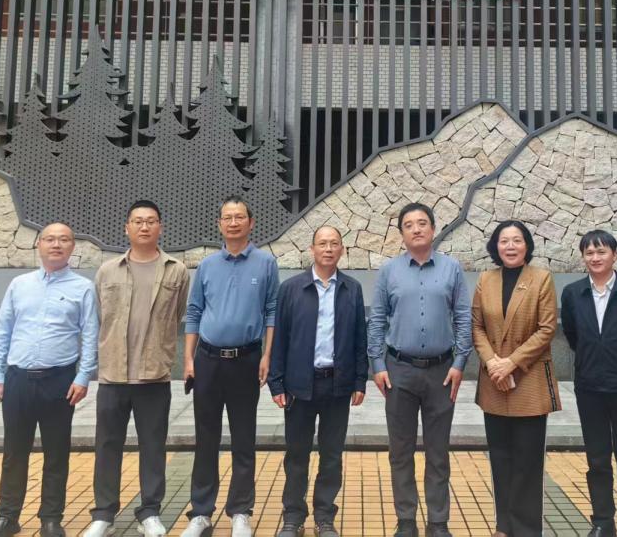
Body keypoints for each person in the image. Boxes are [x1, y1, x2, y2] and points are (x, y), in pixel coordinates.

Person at [0, 223, 98, 537]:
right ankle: (7, 516)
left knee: (56, 453)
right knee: (14, 452)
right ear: (39, 245)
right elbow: (3, 329)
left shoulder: (83, 288)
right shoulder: (19, 285)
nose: (56, 244)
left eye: (63, 240)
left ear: (72, 246)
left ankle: (51, 518)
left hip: (59, 381)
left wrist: (84, 376)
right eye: (49, 239)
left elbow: (90, 335)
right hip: (17, 379)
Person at [82, 201, 191, 537]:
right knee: (107, 445)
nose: (144, 227)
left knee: (153, 446)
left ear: (160, 227)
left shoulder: (176, 271)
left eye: (151, 221)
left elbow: (179, 315)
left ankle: (150, 511)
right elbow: (100, 317)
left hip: (153, 375)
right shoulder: (107, 271)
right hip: (113, 374)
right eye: (138, 221)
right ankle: (103, 513)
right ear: (127, 227)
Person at [367, 202, 473, 537]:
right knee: (400, 451)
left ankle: (438, 522)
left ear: (433, 228)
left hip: (442, 371)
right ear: (401, 233)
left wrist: (460, 363)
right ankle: (406, 520)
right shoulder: (389, 271)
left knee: (438, 452)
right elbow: (377, 320)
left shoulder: (452, 269)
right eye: (409, 224)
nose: (416, 229)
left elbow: (464, 318)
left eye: (422, 222)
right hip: (399, 370)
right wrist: (377, 364)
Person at [182, 197, 280, 537]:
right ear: (220, 224)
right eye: (228, 217)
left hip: (247, 360)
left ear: (251, 223)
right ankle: (201, 512)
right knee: (205, 438)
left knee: (243, 438)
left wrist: (268, 355)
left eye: (240, 217)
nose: (234, 222)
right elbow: (194, 311)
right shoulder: (207, 265)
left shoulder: (266, 263)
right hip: (208, 361)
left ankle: (241, 511)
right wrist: (188, 358)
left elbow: (272, 311)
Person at [269, 226, 368, 537]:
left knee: (331, 455)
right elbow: (279, 338)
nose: (328, 249)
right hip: (299, 385)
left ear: (342, 250)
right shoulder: (291, 288)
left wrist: (360, 380)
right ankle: (293, 517)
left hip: (337, 385)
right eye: (322, 243)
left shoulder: (352, 289)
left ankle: (324, 517)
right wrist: (276, 382)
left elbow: (360, 338)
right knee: (296, 454)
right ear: (311, 249)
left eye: (334, 243)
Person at [560, 229, 617, 537]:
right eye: (589, 252)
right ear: (583, 257)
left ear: (615, 255)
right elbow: (573, 335)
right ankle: (602, 522)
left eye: (601, 251)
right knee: (597, 460)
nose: (595, 257)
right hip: (589, 388)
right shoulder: (573, 293)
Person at [471, 220, 561, 537]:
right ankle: (504, 526)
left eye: (517, 240)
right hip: (494, 381)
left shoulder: (542, 278)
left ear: (527, 246)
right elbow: (477, 326)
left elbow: (547, 329)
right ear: (495, 246)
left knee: (527, 461)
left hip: (528, 380)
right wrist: (492, 362)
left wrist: (511, 363)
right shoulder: (486, 279)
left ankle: (526, 529)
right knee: (500, 457)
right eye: (504, 240)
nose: (510, 246)